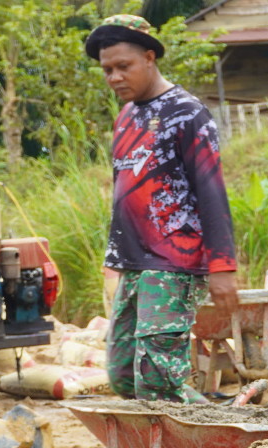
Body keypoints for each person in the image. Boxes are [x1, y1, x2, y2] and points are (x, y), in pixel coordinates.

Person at [85, 14, 239, 403]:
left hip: (173, 263)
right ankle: (216, 423)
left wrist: (222, 266)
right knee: (122, 374)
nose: (115, 77)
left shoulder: (187, 113)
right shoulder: (127, 116)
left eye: (124, 66)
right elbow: (123, 192)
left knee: (157, 379)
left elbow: (211, 191)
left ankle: (210, 443)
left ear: (150, 57)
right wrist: (113, 256)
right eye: (107, 70)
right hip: (133, 263)